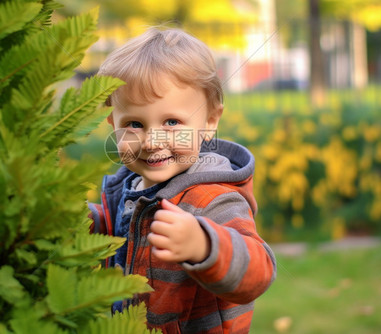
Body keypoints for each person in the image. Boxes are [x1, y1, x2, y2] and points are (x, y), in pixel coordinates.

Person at [88, 27, 276, 334]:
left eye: (171, 122)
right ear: (113, 124)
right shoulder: (133, 184)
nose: (151, 141)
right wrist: (93, 221)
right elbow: (126, 232)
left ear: (210, 121)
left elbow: (260, 271)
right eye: (134, 124)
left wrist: (203, 245)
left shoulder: (212, 198)